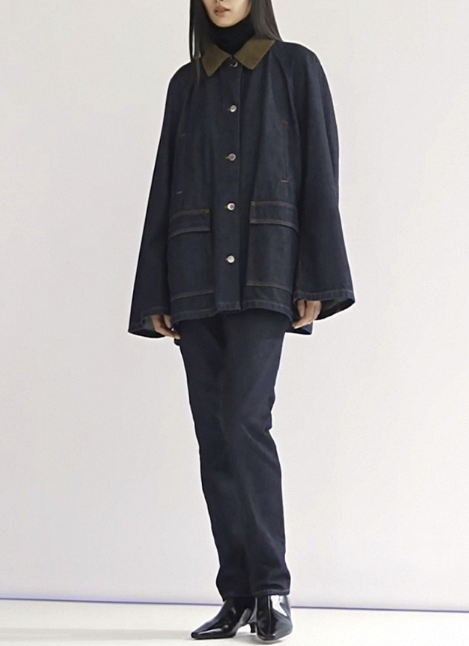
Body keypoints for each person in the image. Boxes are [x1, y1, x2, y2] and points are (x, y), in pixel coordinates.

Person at [127, 0, 355, 641]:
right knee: (214, 436)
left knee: (246, 421)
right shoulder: (186, 83)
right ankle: (239, 595)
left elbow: (319, 173)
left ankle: (273, 590)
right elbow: (164, 183)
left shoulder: (295, 68)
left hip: (265, 271)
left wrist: (314, 276)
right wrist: (155, 290)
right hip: (194, 274)